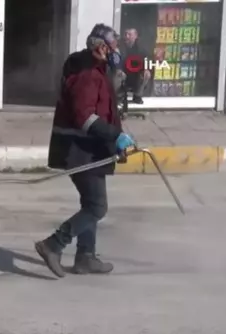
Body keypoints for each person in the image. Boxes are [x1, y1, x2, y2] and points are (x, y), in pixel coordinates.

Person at [35, 24, 136, 278]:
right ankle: (53, 245)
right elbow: (85, 118)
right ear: (100, 47)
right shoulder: (87, 74)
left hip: (92, 149)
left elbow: (106, 112)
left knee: (89, 203)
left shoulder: (97, 69)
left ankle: (86, 257)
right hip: (79, 149)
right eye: (113, 48)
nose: (116, 53)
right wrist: (116, 136)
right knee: (96, 207)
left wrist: (116, 141)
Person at [120, 28, 151, 104]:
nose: (127, 36)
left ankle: (137, 96)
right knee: (117, 74)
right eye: (125, 34)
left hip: (136, 74)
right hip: (123, 72)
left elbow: (147, 60)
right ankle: (119, 96)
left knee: (146, 74)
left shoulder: (141, 48)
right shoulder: (119, 46)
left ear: (135, 36)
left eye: (129, 34)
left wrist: (146, 69)